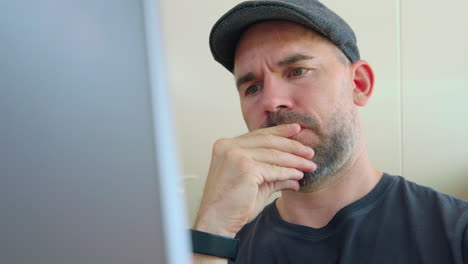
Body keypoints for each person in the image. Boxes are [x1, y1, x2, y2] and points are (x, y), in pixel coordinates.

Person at [191, 0, 468, 263]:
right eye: (252, 88)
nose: (271, 102)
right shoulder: (221, 245)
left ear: (358, 84)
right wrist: (211, 229)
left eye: (297, 71)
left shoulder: (457, 233)